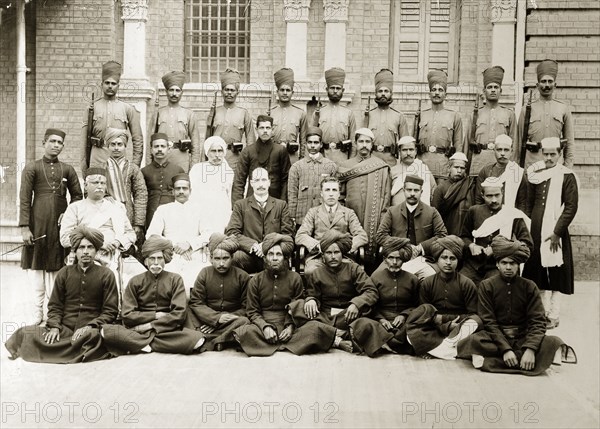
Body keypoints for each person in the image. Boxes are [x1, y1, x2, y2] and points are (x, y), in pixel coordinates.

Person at [457, 235, 577, 375]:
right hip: (496, 337)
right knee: (473, 341)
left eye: (513, 263)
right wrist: (506, 349)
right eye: (504, 263)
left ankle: (495, 362)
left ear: (518, 264)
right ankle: (525, 360)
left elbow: (538, 321)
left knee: (553, 342)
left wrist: (530, 349)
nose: (508, 267)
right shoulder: (486, 286)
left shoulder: (529, 286)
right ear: (497, 264)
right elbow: (489, 322)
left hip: (522, 338)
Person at [5, 227, 118, 363]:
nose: (86, 251)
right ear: (75, 251)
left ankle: (59, 350)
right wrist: (54, 327)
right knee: (25, 332)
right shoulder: (64, 273)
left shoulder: (107, 275)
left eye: (90, 247)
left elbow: (110, 312)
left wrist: (91, 326)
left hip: (91, 330)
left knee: (96, 338)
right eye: (81, 247)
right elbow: (55, 306)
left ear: (97, 250)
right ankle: (74, 350)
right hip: (64, 329)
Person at [233, 234, 338, 356]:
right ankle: (291, 344)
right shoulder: (256, 280)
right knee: (244, 331)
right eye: (270, 254)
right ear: (265, 258)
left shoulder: (295, 278)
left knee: (315, 327)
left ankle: (265, 345)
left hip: (288, 323)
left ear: (285, 258)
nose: (274, 258)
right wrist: (265, 327)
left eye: (278, 254)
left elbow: (297, 307)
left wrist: (290, 327)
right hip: (262, 325)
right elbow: (252, 311)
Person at [19, 128, 83, 325]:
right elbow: (24, 198)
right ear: (43, 143)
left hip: (60, 226)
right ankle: (37, 312)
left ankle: (53, 312)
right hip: (37, 223)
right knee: (37, 268)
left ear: (63, 146)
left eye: (59, 143)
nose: (56, 145)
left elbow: (78, 196)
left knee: (57, 266)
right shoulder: (32, 168)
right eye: (52, 141)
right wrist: (24, 227)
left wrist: (69, 213)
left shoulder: (68, 169)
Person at [101, 236, 205, 355]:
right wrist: (156, 315)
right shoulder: (135, 281)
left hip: (166, 330)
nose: (156, 263)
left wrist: (149, 325)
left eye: (159, 258)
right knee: (107, 331)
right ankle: (152, 344)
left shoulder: (175, 279)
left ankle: (142, 345)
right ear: (146, 261)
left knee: (197, 340)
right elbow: (127, 315)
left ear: (165, 259)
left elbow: (179, 314)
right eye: (152, 258)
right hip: (139, 331)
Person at [59, 168, 144, 305]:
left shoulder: (116, 208)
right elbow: (64, 238)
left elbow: (130, 234)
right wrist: (97, 243)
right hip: (87, 256)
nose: (100, 186)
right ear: (85, 186)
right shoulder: (75, 208)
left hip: (116, 254)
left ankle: (130, 313)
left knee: (144, 278)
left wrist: (117, 242)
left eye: (103, 183)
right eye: (95, 182)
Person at [289, 231, 379, 354]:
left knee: (367, 322)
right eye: (328, 253)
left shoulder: (354, 269)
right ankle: (339, 339)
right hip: (325, 316)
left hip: (348, 315)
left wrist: (356, 304)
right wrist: (311, 300)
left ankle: (331, 336)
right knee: (298, 307)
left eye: (336, 252)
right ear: (323, 255)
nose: (333, 257)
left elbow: (371, 291)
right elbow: (312, 294)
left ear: (342, 254)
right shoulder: (317, 273)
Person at [522, 137, 578, 329]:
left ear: (560, 154)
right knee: (537, 269)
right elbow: (529, 204)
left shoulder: (567, 176)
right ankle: (541, 312)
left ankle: (554, 314)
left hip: (556, 230)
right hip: (536, 229)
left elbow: (570, 208)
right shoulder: (535, 175)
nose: (549, 158)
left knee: (556, 272)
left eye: (553, 154)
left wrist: (557, 232)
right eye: (545, 154)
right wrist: (528, 227)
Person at [405, 236, 482, 360]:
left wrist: (448, 321)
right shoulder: (427, 283)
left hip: (458, 328)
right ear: (437, 259)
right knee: (411, 333)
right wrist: (441, 323)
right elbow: (424, 313)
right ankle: (449, 350)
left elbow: (473, 314)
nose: (448, 262)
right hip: (435, 329)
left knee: (475, 322)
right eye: (444, 257)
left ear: (458, 260)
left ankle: (436, 349)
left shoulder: (467, 284)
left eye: (452, 258)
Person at [349, 238, 420, 356]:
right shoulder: (376, 277)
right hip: (380, 323)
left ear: (404, 260)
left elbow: (417, 305)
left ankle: (384, 342)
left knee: (419, 325)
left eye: (398, 258)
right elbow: (372, 304)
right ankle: (392, 343)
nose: (394, 262)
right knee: (361, 323)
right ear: (385, 260)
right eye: (391, 258)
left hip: (405, 323)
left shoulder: (413, 279)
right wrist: (381, 319)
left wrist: (404, 315)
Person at [460, 177, 533, 285]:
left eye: (497, 195)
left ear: (502, 193)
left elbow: (527, 244)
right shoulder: (474, 211)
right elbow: (464, 236)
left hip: (499, 266)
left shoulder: (512, 215)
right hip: (474, 264)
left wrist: (498, 249)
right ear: (482, 195)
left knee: (491, 287)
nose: (494, 200)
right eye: (489, 196)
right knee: (461, 283)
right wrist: (472, 246)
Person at [146, 173, 211, 291]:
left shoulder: (200, 209)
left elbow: (207, 234)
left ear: (190, 191)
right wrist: (175, 245)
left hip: (194, 253)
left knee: (201, 276)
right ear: (172, 192)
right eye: (178, 188)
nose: (181, 191)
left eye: (184, 188)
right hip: (171, 254)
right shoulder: (163, 210)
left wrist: (189, 244)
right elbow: (151, 235)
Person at [185, 234, 250, 351]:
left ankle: (212, 340)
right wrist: (214, 318)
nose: (221, 263)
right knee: (187, 312)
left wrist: (223, 319)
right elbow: (196, 302)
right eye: (217, 259)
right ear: (211, 259)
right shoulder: (204, 273)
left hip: (231, 318)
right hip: (206, 317)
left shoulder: (242, 276)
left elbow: (247, 307)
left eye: (225, 258)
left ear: (232, 257)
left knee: (244, 321)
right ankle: (226, 338)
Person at [338, 128, 391, 271]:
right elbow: (340, 195)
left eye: (367, 141)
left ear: (372, 144)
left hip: (374, 219)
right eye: (361, 141)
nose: (364, 145)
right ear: (355, 143)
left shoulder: (381, 166)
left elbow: (386, 197)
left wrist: (382, 218)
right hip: (349, 217)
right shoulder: (345, 166)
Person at [375, 174, 447, 280]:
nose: (412, 194)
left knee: (432, 280)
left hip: (424, 260)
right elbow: (380, 236)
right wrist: (403, 245)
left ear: (421, 192)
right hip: (396, 257)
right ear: (403, 190)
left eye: (416, 190)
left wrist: (420, 248)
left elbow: (442, 235)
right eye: (409, 190)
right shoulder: (392, 211)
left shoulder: (432, 212)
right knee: (376, 279)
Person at [225, 168, 294, 274]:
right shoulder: (240, 205)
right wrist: (253, 245)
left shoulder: (281, 205)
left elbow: (288, 235)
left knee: (280, 260)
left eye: (263, 180)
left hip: (274, 254)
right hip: (249, 255)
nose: (260, 184)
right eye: (257, 180)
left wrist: (267, 246)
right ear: (251, 183)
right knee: (235, 258)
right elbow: (232, 232)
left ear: (269, 182)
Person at [295, 176, 368, 274]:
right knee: (311, 271)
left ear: (339, 194)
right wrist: (318, 246)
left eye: (334, 190)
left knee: (351, 272)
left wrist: (345, 247)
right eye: (327, 190)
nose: (330, 194)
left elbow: (362, 236)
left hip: (343, 257)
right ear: (321, 193)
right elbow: (300, 235)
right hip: (319, 257)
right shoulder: (313, 212)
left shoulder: (348, 213)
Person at [82, 61, 143, 172]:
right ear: (101, 84)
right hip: (97, 159)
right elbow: (84, 142)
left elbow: (137, 140)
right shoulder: (92, 108)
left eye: (113, 83)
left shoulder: (127, 109)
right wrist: (85, 169)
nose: (110, 86)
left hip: (119, 160)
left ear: (118, 86)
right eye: (107, 83)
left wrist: (135, 167)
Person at [516, 59, 575, 168]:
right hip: (532, 165)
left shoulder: (563, 108)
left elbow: (569, 143)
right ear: (537, 85)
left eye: (550, 81)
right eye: (543, 81)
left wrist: (567, 168)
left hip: (556, 164)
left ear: (555, 85)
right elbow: (518, 143)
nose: (547, 85)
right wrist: (519, 169)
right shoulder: (527, 109)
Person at [467, 66, 517, 176]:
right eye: (489, 87)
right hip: (479, 164)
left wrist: (512, 168)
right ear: (484, 91)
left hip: (501, 164)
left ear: (501, 91)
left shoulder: (509, 114)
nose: (493, 90)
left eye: (496, 87)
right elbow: (467, 144)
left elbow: (514, 144)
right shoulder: (475, 115)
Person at [231, 115, 291, 203]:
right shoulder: (248, 151)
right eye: (262, 128)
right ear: (256, 129)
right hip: (252, 201)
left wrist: (282, 204)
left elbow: (286, 179)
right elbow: (239, 180)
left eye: (268, 128)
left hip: (275, 199)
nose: (265, 131)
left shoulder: (280, 150)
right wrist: (238, 206)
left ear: (272, 129)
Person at [417, 69, 464, 179]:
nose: (437, 93)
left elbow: (458, 145)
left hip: (444, 168)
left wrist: (455, 168)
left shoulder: (454, 116)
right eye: (433, 90)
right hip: (422, 167)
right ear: (429, 94)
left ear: (445, 94)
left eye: (440, 90)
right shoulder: (421, 115)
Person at [103, 127, 147, 245]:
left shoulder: (133, 168)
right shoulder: (101, 167)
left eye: (120, 144)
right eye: (113, 144)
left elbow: (141, 194)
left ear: (125, 146)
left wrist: (138, 223)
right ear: (108, 146)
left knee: (127, 244)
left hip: (127, 213)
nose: (116, 148)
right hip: (105, 212)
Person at [287, 126, 337, 228]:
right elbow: (292, 194)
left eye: (316, 143)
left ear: (321, 144)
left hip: (324, 218)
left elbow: (336, 195)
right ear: (305, 144)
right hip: (302, 217)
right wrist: (292, 217)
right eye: (310, 142)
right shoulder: (296, 167)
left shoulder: (330, 166)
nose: (313, 146)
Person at [153, 71, 200, 171]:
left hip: (182, 160)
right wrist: (150, 165)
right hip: (161, 159)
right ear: (166, 92)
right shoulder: (158, 113)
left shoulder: (189, 114)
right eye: (171, 90)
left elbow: (195, 145)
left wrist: (193, 168)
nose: (174, 94)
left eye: (177, 90)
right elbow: (150, 141)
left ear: (181, 93)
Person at [209, 68, 256, 171]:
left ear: (237, 92)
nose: (229, 93)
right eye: (226, 90)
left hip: (236, 160)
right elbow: (207, 139)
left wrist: (249, 163)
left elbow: (251, 141)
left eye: (232, 90)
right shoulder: (215, 112)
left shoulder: (244, 113)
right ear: (222, 92)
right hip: (215, 158)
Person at [188, 136, 235, 233]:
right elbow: (192, 195)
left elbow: (230, 196)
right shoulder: (197, 169)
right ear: (207, 152)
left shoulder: (229, 172)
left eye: (220, 151)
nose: (217, 155)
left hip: (221, 213)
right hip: (201, 212)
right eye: (213, 151)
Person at [313, 67, 357, 165]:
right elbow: (312, 137)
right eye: (332, 88)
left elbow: (353, 141)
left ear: (343, 90)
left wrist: (351, 162)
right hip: (322, 158)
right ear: (327, 89)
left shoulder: (349, 113)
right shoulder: (319, 112)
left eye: (338, 88)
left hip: (342, 158)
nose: (335, 91)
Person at [366, 68, 409, 167]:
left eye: (386, 91)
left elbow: (405, 143)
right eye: (380, 91)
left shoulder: (398, 116)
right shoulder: (369, 115)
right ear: (376, 94)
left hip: (391, 163)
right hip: (371, 161)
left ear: (391, 94)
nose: (383, 94)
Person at [141, 133, 185, 228]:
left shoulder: (178, 170)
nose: (159, 149)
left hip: (173, 213)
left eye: (163, 146)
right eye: (156, 146)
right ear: (151, 150)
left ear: (168, 149)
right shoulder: (144, 171)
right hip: (151, 212)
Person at [475, 134, 527, 210]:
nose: (502, 153)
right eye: (499, 149)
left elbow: (522, 202)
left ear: (511, 152)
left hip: (510, 216)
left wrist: (517, 219)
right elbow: (479, 200)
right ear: (494, 151)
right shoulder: (485, 171)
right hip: (488, 215)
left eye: (506, 150)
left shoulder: (518, 172)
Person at [431, 152, 475, 235]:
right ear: (449, 168)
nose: (459, 171)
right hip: (446, 232)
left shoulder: (470, 185)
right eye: (456, 167)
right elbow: (434, 213)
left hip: (466, 233)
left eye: (462, 168)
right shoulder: (441, 188)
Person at [270, 67, 307, 164]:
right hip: (273, 157)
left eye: (288, 90)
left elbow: (303, 141)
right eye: (282, 90)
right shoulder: (270, 113)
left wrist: (302, 160)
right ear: (277, 92)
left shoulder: (300, 113)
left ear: (292, 92)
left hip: (292, 158)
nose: (285, 93)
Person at [390, 136, 436, 206]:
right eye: (404, 150)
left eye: (411, 150)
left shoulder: (424, 169)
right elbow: (386, 196)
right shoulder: (392, 171)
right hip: (397, 213)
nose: (408, 153)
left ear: (416, 151)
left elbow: (434, 192)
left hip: (419, 213)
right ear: (399, 152)